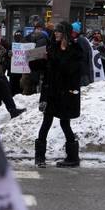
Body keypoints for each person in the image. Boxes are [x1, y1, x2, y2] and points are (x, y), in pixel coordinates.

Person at [30, 22, 83, 168]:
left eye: (59, 31)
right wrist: (36, 57)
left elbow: (72, 70)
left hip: (66, 93)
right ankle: (40, 157)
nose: (56, 34)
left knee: (64, 123)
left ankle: (73, 157)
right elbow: (35, 66)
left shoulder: (75, 50)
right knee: (46, 122)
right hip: (50, 91)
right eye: (55, 32)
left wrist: (55, 58)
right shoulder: (51, 48)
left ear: (65, 32)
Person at [0, 38, 27, 119]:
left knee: (4, 86)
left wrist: (9, 54)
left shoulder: (0, 43)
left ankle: (12, 110)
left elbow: (4, 54)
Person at [20, 19, 49, 94]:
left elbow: (22, 45)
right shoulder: (44, 36)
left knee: (28, 86)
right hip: (38, 67)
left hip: (30, 66)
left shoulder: (30, 36)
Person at [71, 21, 94, 87]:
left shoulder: (81, 40)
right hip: (81, 71)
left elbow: (82, 56)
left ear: (76, 32)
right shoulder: (80, 40)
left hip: (81, 72)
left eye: (72, 31)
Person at [8, 30, 24, 95]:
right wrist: (9, 55)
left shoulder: (25, 46)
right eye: (16, 37)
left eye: (19, 37)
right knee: (13, 87)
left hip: (21, 71)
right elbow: (7, 58)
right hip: (13, 71)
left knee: (19, 87)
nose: (18, 39)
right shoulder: (11, 46)